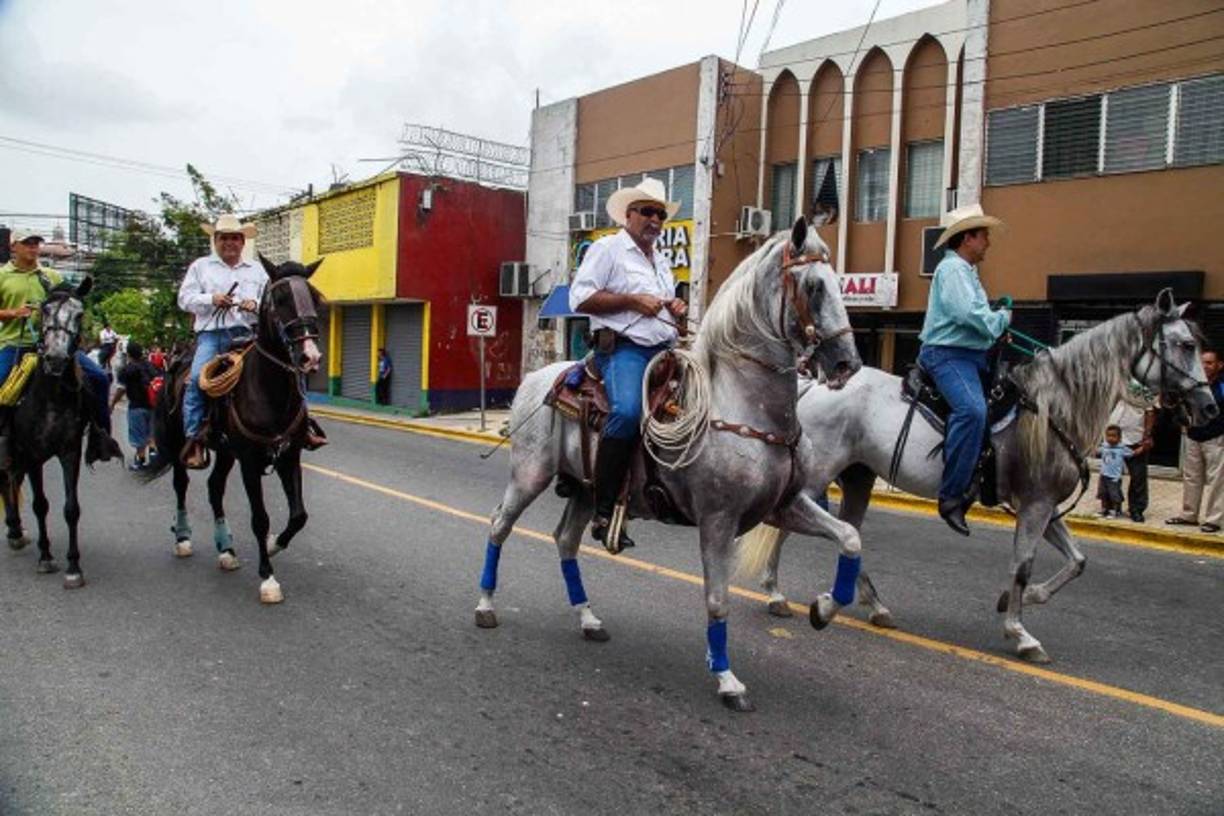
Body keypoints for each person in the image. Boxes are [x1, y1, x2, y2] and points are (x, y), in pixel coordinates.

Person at [569, 176, 686, 552]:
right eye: (648, 212)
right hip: (623, 350)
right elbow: (580, 298)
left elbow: (665, 311)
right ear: (629, 214)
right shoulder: (607, 250)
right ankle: (603, 511)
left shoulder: (662, 261)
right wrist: (633, 301)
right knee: (628, 411)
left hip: (665, 349)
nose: (655, 220)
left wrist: (677, 311)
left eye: (661, 214)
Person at [178, 214, 326, 469]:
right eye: (224, 238)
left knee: (292, 370)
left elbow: (270, 305)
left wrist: (254, 305)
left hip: (248, 335)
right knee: (195, 380)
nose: (230, 243)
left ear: (243, 241)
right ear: (215, 240)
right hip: (213, 335)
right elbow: (185, 298)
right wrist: (211, 299)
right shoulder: (200, 267)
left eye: (235, 238)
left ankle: (304, 426)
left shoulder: (257, 271)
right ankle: (195, 437)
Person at [916, 204, 1010, 535]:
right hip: (947, 356)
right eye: (983, 234)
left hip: (971, 357)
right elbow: (965, 314)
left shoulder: (967, 272)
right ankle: (952, 495)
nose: (988, 241)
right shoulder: (952, 269)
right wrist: (1000, 320)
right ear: (967, 238)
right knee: (972, 411)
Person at [0, 229, 120, 466]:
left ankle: (101, 435)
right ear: (14, 246)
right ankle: (4, 442)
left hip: (56, 344)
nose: (33, 248)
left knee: (99, 378)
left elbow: (73, 299)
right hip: (16, 344)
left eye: (36, 243)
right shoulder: (3, 276)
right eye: (27, 243)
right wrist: (14, 313)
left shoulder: (51, 276)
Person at [1166, 349, 1224, 533]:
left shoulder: (1222, 386)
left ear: (1219, 365)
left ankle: (1214, 520)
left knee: (1217, 481)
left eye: (1209, 363)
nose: (1205, 366)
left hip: (1216, 438)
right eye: (1202, 363)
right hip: (1193, 437)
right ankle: (1189, 515)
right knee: (1191, 478)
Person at [1107, 395, 1155, 521]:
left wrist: (1147, 436)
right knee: (1111, 475)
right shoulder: (1117, 380)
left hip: (1135, 437)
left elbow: (1150, 411)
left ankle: (1136, 509)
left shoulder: (1143, 387)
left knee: (1138, 476)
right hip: (1114, 436)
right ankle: (1112, 506)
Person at [110, 341, 157, 470]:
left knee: (138, 435)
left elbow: (121, 389)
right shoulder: (151, 366)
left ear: (128, 354)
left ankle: (140, 460)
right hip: (153, 405)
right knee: (151, 432)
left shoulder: (126, 370)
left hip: (136, 406)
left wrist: (112, 404)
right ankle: (153, 454)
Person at [1096, 425, 1134, 519]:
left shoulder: (1121, 449)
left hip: (1114, 477)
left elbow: (1132, 453)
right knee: (1103, 493)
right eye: (1108, 436)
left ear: (1119, 437)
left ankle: (1115, 510)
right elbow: (1096, 451)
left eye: (1114, 436)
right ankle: (1104, 509)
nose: (1111, 438)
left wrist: (1142, 448)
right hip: (1104, 474)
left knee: (1114, 495)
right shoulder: (1104, 446)